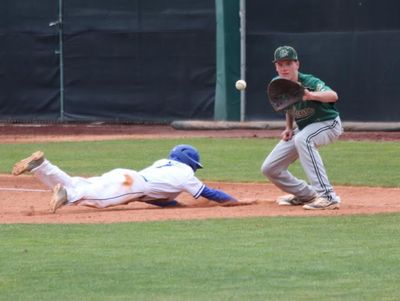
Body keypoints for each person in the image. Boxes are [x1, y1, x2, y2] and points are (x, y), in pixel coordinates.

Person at [12, 144, 239, 213]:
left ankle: (42, 166)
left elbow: (159, 197)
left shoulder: (163, 163)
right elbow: (210, 193)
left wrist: (173, 203)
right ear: (190, 162)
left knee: (81, 184)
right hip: (133, 185)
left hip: (126, 175)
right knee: (98, 200)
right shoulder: (185, 174)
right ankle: (67, 195)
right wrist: (237, 202)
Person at [261, 46, 343, 210]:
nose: (284, 68)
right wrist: (289, 127)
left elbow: (333, 95)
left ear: (297, 64)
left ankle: (327, 197)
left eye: (288, 63)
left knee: (303, 139)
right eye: (281, 64)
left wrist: (311, 95)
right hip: (304, 128)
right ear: (276, 67)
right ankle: (306, 195)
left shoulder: (310, 82)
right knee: (270, 168)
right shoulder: (277, 84)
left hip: (328, 123)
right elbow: (289, 108)